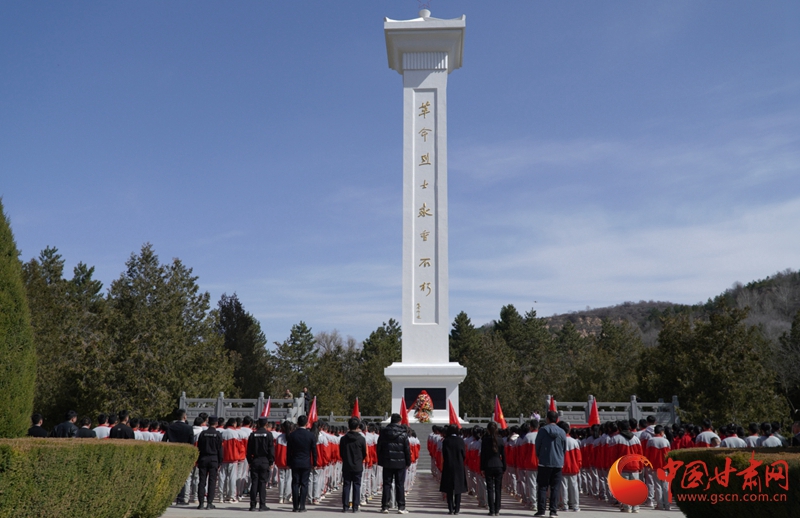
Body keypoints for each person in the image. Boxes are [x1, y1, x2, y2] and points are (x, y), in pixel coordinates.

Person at [377, 413, 411, 514]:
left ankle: (385, 506)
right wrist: (408, 462)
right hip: (400, 462)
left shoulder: (384, 432)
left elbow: (379, 447)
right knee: (400, 485)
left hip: (387, 461)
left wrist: (381, 459)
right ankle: (401, 507)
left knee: (387, 484)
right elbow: (407, 449)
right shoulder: (403, 434)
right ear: (400, 421)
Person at [534, 411, 566, 517]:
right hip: (558, 463)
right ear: (557, 419)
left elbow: (537, 445)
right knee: (555, 488)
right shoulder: (562, 432)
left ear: (547, 419)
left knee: (542, 487)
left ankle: (541, 510)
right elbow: (564, 448)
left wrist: (540, 456)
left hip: (544, 462)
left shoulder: (542, 430)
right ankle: (553, 511)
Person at [287, 415, 317, 512]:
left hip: (295, 461)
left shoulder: (292, 435)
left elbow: (288, 451)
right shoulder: (310, 435)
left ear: (297, 423)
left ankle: (295, 506)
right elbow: (314, 451)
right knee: (304, 484)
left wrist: (288, 462)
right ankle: (302, 506)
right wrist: (315, 463)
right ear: (307, 423)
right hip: (306, 462)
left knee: (295, 483)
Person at [165, 409, 194, 505]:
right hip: (185, 454)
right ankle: (181, 498)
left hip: (173, 453)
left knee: (172, 476)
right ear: (184, 417)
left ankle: (170, 497)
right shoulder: (189, 428)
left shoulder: (170, 427)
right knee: (183, 477)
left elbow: (164, 440)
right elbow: (191, 443)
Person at [247, 417, 275, 512]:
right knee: (263, 483)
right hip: (264, 460)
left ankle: (252, 505)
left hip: (255, 460)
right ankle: (262, 505)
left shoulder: (252, 435)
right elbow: (271, 450)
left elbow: (249, 450)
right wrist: (271, 461)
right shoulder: (269, 435)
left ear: (258, 424)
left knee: (254, 482)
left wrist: (250, 461)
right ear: (266, 424)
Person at [340, 417, 367, 513]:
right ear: (358, 426)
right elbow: (364, 453)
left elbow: (341, 452)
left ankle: (345, 506)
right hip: (357, 465)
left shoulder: (343, 439)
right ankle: (355, 506)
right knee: (357, 485)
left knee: (346, 485)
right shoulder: (361, 439)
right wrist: (359, 460)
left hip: (347, 464)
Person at [196, 416, 224, 510]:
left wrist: (198, 460)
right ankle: (209, 503)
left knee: (202, 481)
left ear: (208, 423)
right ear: (216, 423)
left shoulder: (203, 433)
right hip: (213, 459)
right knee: (212, 482)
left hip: (203, 458)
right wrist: (220, 462)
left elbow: (199, 448)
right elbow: (220, 449)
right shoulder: (218, 434)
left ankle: (201, 503)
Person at [439, 425, 467, 515]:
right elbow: (463, 454)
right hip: (459, 465)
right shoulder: (460, 440)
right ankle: (457, 508)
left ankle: (450, 508)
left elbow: (444, 453)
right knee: (458, 488)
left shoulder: (446, 441)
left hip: (448, 465)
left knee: (449, 488)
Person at [480, 422, 506, 516]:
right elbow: (503, 455)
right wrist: (504, 467)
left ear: (488, 429)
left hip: (488, 465)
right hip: (498, 465)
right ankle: (497, 509)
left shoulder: (485, 440)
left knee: (490, 489)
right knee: (498, 489)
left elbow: (483, 455)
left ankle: (491, 510)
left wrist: (482, 468)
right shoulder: (500, 440)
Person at [644, 425, 672, 511]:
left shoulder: (650, 441)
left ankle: (660, 505)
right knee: (666, 486)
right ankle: (667, 505)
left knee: (657, 486)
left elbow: (647, 454)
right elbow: (669, 454)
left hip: (655, 466)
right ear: (661, 432)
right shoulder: (666, 441)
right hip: (664, 466)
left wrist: (647, 465)